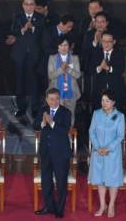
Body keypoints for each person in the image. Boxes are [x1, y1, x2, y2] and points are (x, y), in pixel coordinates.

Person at [33, 88, 72, 219]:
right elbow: (35, 125)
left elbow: (64, 130)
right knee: (46, 182)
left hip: (61, 153)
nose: (54, 102)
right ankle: (49, 206)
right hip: (46, 152)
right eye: (51, 99)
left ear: (59, 98)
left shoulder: (66, 112)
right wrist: (42, 123)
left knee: (61, 183)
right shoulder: (43, 110)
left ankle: (59, 209)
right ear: (47, 100)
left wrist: (52, 123)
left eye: (56, 99)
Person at [88, 89, 125, 218]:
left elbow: (120, 136)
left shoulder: (120, 116)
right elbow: (91, 132)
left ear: (113, 102)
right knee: (100, 180)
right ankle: (103, 205)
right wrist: (98, 148)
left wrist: (107, 149)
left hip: (112, 154)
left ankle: (111, 205)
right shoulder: (96, 114)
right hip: (98, 152)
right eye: (103, 100)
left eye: (107, 101)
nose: (104, 103)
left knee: (112, 180)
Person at [11, 0, 44, 118]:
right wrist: (23, 29)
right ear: (23, 5)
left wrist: (33, 27)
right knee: (19, 82)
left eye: (31, 4)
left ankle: (35, 108)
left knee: (34, 82)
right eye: (27, 4)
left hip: (35, 56)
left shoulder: (40, 18)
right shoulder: (18, 17)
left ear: (35, 6)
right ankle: (21, 108)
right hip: (19, 55)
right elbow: (13, 31)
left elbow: (42, 33)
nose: (29, 7)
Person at [48, 37, 81, 124]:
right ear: (58, 47)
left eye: (65, 45)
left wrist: (68, 69)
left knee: (70, 116)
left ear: (69, 46)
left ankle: (69, 135)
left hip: (71, 92)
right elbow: (50, 75)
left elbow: (78, 75)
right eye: (61, 45)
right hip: (56, 93)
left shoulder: (74, 58)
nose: (63, 47)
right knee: (56, 116)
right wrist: (61, 69)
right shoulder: (52, 58)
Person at [91, 31, 126, 113]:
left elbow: (121, 70)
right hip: (99, 89)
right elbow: (91, 69)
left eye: (109, 42)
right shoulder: (96, 53)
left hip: (115, 89)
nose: (106, 44)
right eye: (104, 41)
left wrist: (108, 68)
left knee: (116, 113)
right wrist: (100, 67)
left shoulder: (120, 54)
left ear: (114, 42)